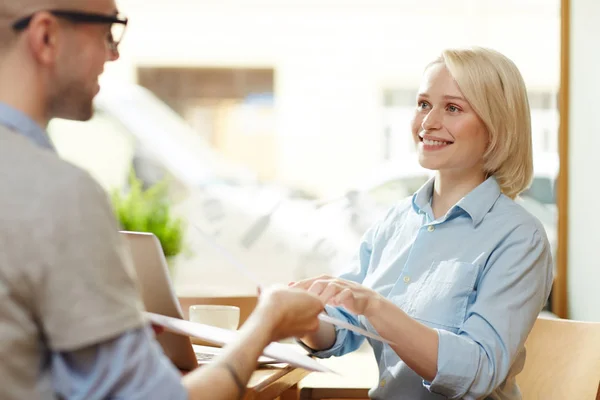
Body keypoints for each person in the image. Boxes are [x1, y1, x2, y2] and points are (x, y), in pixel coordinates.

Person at [0, 0, 324, 399]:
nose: (114, 52)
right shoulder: (58, 193)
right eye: (107, 29)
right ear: (46, 36)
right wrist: (268, 323)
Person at [293, 47, 554, 400]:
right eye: (423, 104)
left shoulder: (520, 238)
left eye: (452, 108)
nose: (428, 122)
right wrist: (305, 317)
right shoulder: (394, 221)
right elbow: (343, 329)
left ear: (497, 126)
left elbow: (478, 372)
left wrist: (375, 305)